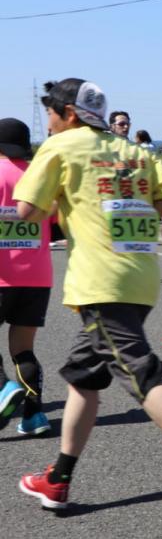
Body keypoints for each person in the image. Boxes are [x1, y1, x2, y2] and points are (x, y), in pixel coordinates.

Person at [13, 79, 162, 518]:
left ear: (69, 113)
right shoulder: (132, 150)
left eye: (52, 114)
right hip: (140, 276)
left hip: (100, 282)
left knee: (138, 371)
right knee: (84, 377)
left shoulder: (60, 148)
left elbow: (27, 212)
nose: (49, 122)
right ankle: (58, 478)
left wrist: (69, 203)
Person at [0, 118, 53, 436]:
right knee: (23, 349)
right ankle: (34, 416)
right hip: (37, 277)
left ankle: (4, 389)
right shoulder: (41, 177)